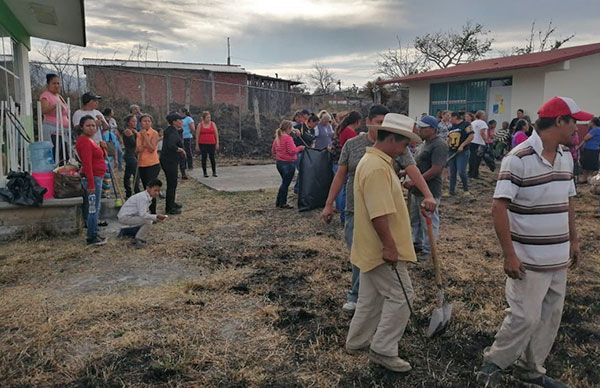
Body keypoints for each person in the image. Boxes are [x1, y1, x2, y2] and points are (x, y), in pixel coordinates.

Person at [476, 96, 588, 388]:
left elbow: (568, 202)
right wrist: (509, 255)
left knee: (550, 316)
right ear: (560, 121)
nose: (578, 127)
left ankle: (530, 369)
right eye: (574, 121)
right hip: (528, 259)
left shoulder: (565, 156)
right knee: (524, 316)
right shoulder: (519, 157)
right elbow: (498, 207)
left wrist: (573, 239)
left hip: (558, 257)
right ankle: (494, 363)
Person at [321, 105, 436, 312]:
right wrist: (329, 204)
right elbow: (340, 175)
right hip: (355, 209)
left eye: (386, 123)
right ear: (370, 122)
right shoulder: (353, 145)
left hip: (384, 209)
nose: (383, 126)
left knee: (377, 255)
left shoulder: (396, 145)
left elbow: (413, 170)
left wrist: (428, 194)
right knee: (361, 254)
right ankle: (357, 297)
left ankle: (371, 299)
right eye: (379, 122)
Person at [345, 113, 436, 373]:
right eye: (404, 144)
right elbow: (379, 213)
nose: (405, 149)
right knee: (402, 295)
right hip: (380, 249)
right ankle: (383, 348)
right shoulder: (375, 168)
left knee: (370, 299)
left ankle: (357, 341)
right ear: (392, 139)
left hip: (370, 248)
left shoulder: (378, 162)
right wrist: (389, 246)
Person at [406, 115, 448, 260]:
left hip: (430, 189)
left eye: (423, 128)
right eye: (420, 127)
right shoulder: (423, 144)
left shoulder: (439, 145)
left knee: (428, 221)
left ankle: (428, 250)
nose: (420, 130)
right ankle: (416, 243)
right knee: (415, 218)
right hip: (417, 189)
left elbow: (436, 169)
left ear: (432, 129)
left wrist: (416, 181)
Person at [75, 115, 107, 246]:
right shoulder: (84, 141)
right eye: (88, 125)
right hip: (92, 179)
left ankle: (94, 231)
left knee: (94, 207)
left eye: (93, 125)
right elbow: (87, 164)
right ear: (82, 127)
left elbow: (99, 158)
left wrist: (103, 149)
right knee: (93, 207)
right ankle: (91, 236)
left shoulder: (91, 140)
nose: (92, 128)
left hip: (97, 176)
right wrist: (91, 184)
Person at [117, 178, 167, 248]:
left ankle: (126, 232)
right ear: (148, 188)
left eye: (158, 191)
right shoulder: (143, 198)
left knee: (148, 218)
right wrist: (156, 217)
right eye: (155, 190)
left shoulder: (147, 196)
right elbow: (143, 214)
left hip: (129, 215)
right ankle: (138, 239)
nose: (157, 193)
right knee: (148, 221)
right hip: (125, 217)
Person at [330, 111, 361, 224]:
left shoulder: (343, 130)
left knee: (343, 191)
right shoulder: (350, 132)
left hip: (343, 161)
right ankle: (344, 216)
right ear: (357, 122)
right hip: (348, 163)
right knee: (346, 192)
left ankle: (343, 215)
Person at [271, 120, 305, 209]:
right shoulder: (288, 138)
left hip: (279, 163)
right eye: (291, 129)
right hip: (288, 164)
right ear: (289, 128)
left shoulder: (278, 137)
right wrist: (300, 148)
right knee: (285, 184)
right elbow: (292, 151)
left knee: (284, 183)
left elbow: (273, 151)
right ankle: (282, 203)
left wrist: (280, 155)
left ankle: (279, 201)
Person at [39, 74, 70, 162]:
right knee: (55, 154)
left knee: (64, 155)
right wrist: (54, 106)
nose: (56, 85)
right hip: (53, 131)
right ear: (48, 84)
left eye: (58, 83)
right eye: (54, 83)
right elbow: (44, 110)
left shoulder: (59, 96)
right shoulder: (45, 95)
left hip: (63, 131)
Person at [160, 113, 186, 215]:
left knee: (173, 183)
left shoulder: (172, 130)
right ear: (174, 122)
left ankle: (172, 202)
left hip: (169, 160)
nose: (182, 122)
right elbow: (171, 145)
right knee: (172, 184)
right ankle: (169, 208)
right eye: (180, 120)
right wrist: (180, 150)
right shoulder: (172, 132)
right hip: (169, 161)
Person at [136, 114, 161, 214]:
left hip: (153, 164)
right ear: (140, 123)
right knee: (146, 188)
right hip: (142, 163)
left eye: (148, 121)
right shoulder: (138, 134)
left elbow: (151, 148)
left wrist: (145, 137)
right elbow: (138, 149)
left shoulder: (154, 133)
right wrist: (145, 144)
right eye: (144, 121)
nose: (146, 123)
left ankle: (153, 212)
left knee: (152, 188)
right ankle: (146, 210)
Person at [446, 112, 474, 198]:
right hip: (452, 151)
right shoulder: (451, 127)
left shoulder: (466, 124)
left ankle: (466, 190)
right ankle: (451, 191)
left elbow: (471, 136)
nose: (449, 120)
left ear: (455, 117)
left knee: (461, 171)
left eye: (450, 118)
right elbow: (448, 139)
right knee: (452, 172)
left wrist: (462, 145)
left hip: (462, 152)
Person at [121, 115, 140, 198]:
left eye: (135, 121)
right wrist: (137, 135)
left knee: (127, 174)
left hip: (133, 155)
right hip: (130, 155)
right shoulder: (128, 131)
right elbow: (133, 143)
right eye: (133, 121)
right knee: (136, 174)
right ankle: (136, 191)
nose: (135, 123)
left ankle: (128, 192)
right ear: (128, 122)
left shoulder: (134, 131)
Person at [197, 111, 219, 177]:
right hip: (203, 143)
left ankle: (214, 172)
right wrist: (197, 145)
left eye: (209, 117)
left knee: (212, 157)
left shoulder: (213, 124)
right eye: (207, 117)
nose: (209, 119)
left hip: (212, 143)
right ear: (204, 118)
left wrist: (217, 142)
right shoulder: (200, 125)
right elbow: (197, 135)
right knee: (204, 158)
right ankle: (205, 172)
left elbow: (216, 134)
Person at [468, 110, 489, 179]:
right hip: (479, 142)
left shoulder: (473, 122)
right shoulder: (483, 123)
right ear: (481, 116)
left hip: (472, 141)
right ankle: (475, 174)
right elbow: (482, 132)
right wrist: (486, 140)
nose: (485, 116)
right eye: (484, 115)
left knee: (472, 158)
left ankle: (470, 173)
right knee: (477, 159)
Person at [578, 117, 600, 182]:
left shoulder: (595, 130)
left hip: (590, 149)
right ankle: (588, 179)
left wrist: (578, 147)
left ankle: (585, 179)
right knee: (591, 166)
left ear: (593, 123)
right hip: (595, 149)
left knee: (586, 165)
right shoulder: (597, 129)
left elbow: (585, 138)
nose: (589, 123)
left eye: (590, 122)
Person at [179, 108, 195, 173]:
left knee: (188, 151)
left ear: (184, 113)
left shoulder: (189, 119)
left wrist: (189, 132)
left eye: (180, 112)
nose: (179, 113)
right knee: (182, 152)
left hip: (187, 137)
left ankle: (190, 165)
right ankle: (184, 166)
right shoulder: (179, 119)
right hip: (181, 137)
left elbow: (192, 128)